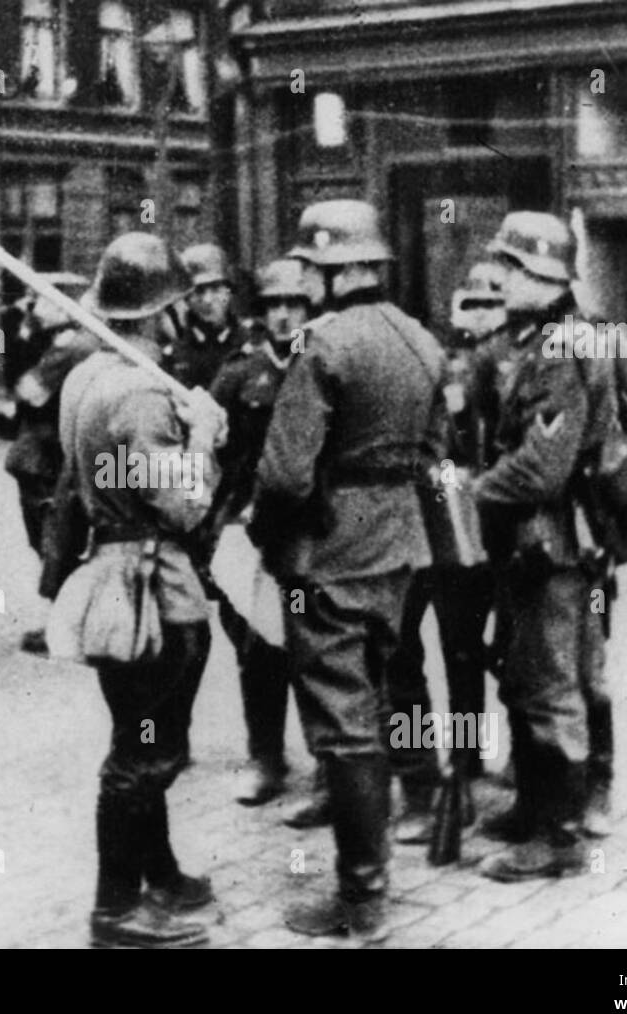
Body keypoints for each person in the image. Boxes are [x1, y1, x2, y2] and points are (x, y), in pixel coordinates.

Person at [250, 200, 447, 938]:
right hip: (399, 549)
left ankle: (362, 901)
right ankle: (381, 864)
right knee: (381, 695)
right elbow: (435, 455)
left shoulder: (322, 346)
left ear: (327, 270)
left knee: (342, 724)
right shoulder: (421, 341)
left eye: (311, 267)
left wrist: (271, 543)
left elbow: (284, 476)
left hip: (329, 554)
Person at [56, 232, 228, 949]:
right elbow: (184, 504)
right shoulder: (140, 394)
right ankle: (116, 908)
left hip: (112, 581)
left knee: (141, 736)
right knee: (145, 751)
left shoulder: (84, 378)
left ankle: (158, 874)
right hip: (154, 591)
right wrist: (205, 439)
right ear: (165, 311)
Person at [470, 211, 614, 881]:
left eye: (511, 267)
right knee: (526, 677)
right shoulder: (539, 338)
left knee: (554, 688)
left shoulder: (561, 350)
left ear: (544, 276)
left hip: (555, 546)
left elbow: (543, 467)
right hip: (532, 543)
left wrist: (472, 491)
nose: (498, 276)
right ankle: (532, 809)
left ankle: (559, 838)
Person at [385, 261, 506, 844]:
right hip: (421, 521)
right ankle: (419, 780)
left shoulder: (514, 367)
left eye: (491, 304)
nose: (481, 316)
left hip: (472, 525)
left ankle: (464, 762)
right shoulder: (435, 363)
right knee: (403, 651)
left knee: (463, 653)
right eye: (472, 305)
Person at [208, 258, 310, 806]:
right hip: (248, 531)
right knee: (255, 648)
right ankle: (265, 757)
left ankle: (329, 764)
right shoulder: (238, 373)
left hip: (309, 530)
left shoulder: (323, 361)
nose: (284, 315)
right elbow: (214, 455)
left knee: (317, 647)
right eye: (273, 305)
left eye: (294, 304)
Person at [0, 272, 93, 655]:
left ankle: (66, 627)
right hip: (75, 452)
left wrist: (23, 336)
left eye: (40, 300)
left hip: (47, 456)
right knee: (67, 539)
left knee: (53, 542)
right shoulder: (86, 343)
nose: (33, 307)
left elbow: (26, 390)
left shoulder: (66, 349)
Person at [161, 243, 241, 390]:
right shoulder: (174, 356)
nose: (207, 300)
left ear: (229, 291)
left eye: (216, 289)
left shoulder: (251, 344)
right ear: (186, 298)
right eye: (199, 291)